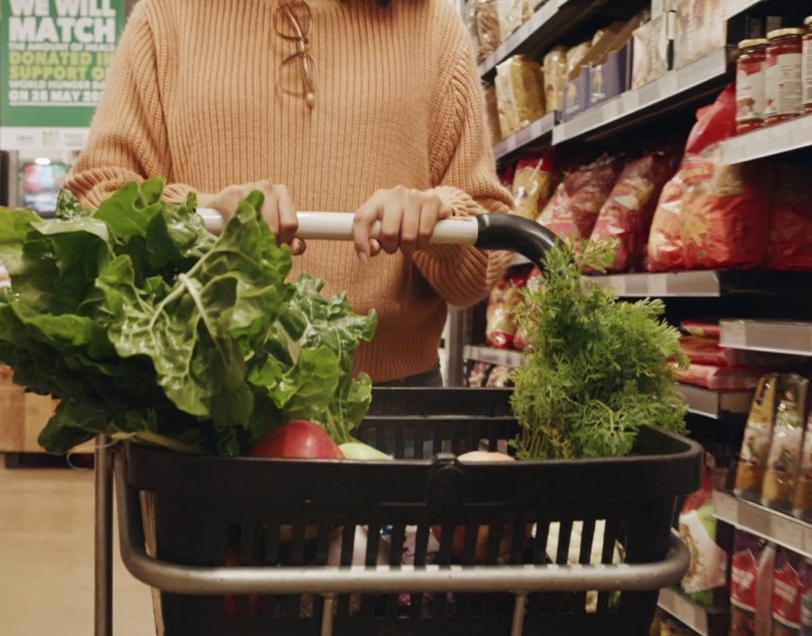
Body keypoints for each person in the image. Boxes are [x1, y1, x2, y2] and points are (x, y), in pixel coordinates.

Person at [65, 0, 513, 387]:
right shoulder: (166, 18)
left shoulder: (432, 24)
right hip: (206, 401)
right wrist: (201, 215)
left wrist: (439, 218)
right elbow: (94, 199)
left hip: (394, 409)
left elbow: (477, 271)